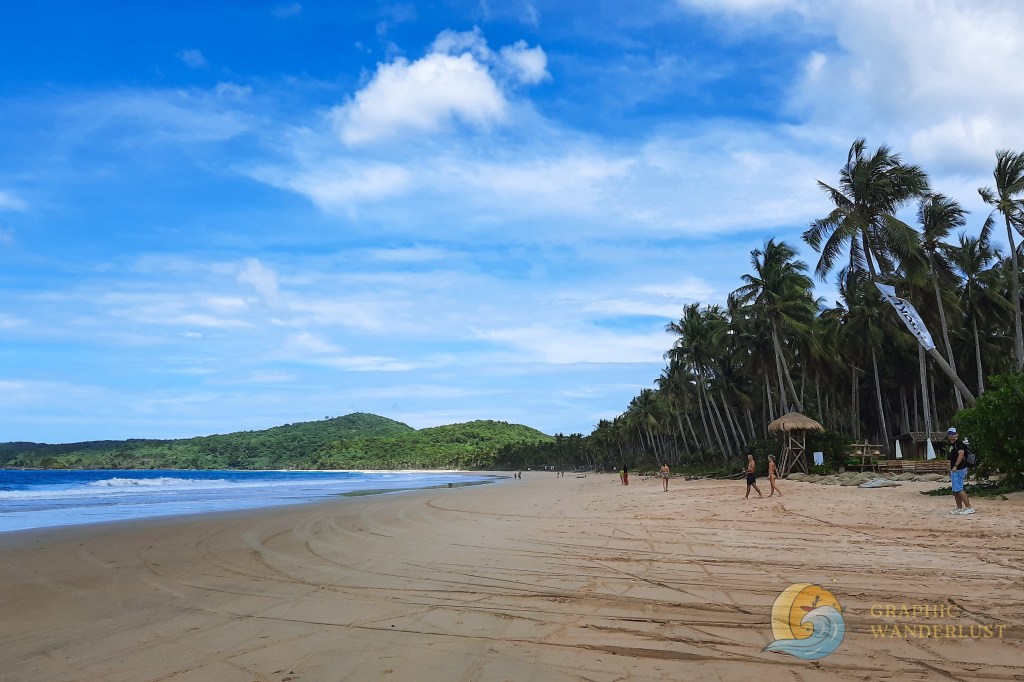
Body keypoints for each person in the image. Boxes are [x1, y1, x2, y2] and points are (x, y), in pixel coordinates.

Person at [946, 427, 975, 515]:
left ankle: (969, 507)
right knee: (955, 490)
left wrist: (955, 466)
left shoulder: (959, 443)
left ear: (957, 434)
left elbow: (961, 454)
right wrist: (950, 469)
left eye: (953, 434)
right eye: (950, 434)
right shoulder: (953, 444)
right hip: (954, 470)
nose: (951, 435)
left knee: (959, 489)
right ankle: (959, 507)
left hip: (959, 469)